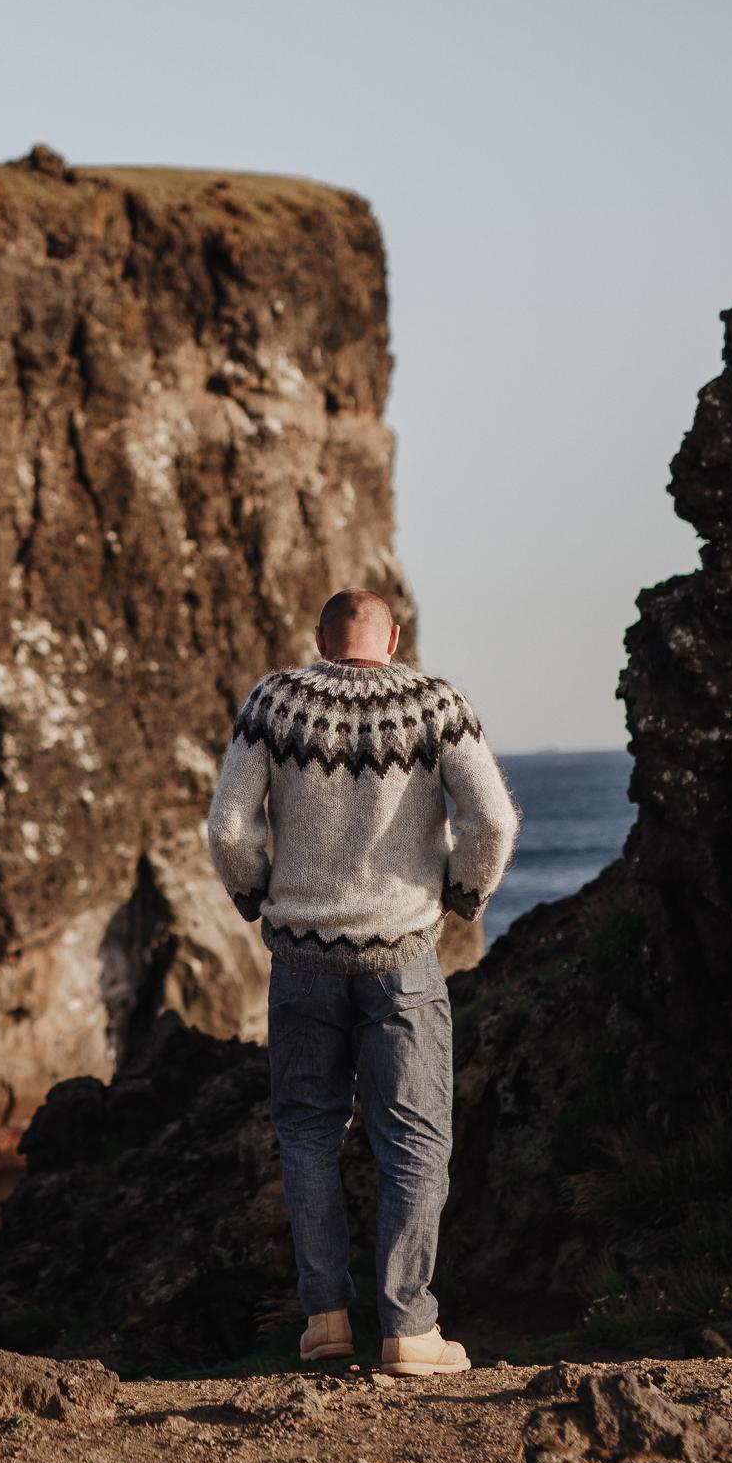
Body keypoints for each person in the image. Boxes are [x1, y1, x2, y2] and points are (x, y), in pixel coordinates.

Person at [204, 589, 518, 1378]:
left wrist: (257, 895)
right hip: (402, 957)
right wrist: (463, 896)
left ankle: (326, 1321)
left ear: (320, 638)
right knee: (413, 1137)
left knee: (309, 1133)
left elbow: (227, 827)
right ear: (395, 637)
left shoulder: (275, 701)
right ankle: (410, 1328)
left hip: (302, 960)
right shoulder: (436, 704)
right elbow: (493, 822)